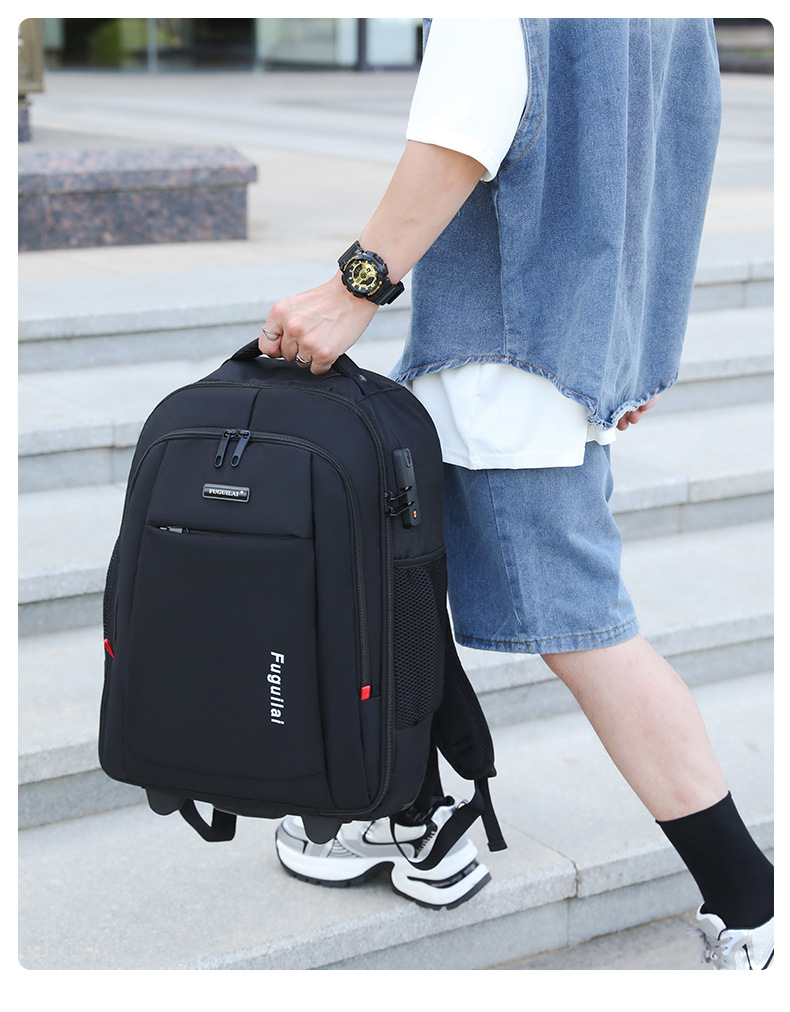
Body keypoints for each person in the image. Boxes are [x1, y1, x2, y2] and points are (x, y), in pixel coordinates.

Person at [262, 19, 773, 969]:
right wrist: (639, 342)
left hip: (506, 357)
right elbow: (676, 146)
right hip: (559, 347)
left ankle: (752, 907)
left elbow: (459, 135)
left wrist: (352, 290)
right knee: (405, 580)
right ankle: (412, 811)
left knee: (586, 633)